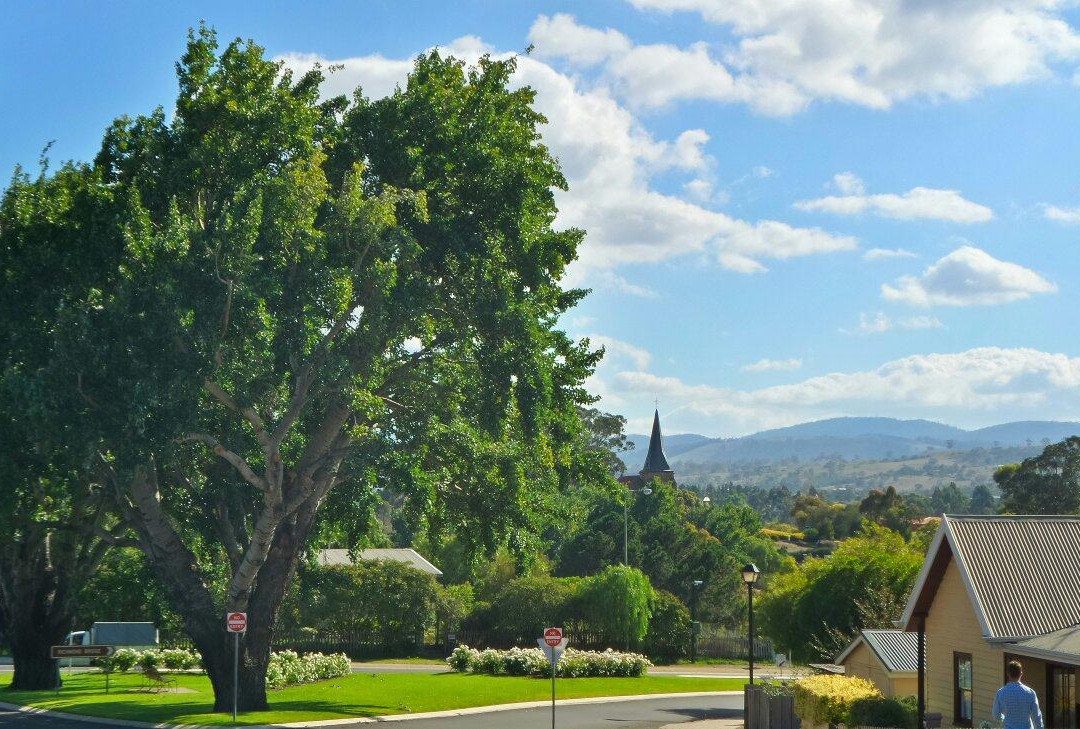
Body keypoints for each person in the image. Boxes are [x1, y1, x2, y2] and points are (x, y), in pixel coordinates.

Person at [993, 660, 1044, 729]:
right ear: (1021, 673)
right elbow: (1037, 716)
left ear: (1008, 674)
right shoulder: (1030, 692)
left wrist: (1005, 718)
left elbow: (996, 715)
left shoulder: (1001, 693)